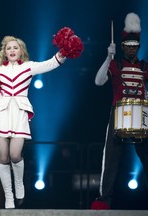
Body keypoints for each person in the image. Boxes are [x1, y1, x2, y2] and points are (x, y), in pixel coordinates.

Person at [0, 33, 83, 209]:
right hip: (0, 113)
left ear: (21, 51)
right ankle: (9, 196)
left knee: (15, 155)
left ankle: (19, 183)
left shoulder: (28, 67)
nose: (12, 50)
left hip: (19, 112)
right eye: (8, 48)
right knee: (3, 157)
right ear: (4, 52)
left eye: (15, 47)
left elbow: (50, 64)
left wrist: (62, 54)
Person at [91, 12, 148, 210]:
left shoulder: (144, 66)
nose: (131, 49)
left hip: (141, 116)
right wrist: (108, 56)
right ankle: (103, 199)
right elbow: (98, 82)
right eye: (128, 46)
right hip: (118, 114)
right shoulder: (115, 64)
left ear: (138, 47)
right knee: (111, 157)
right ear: (123, 47)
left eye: (135, 46)